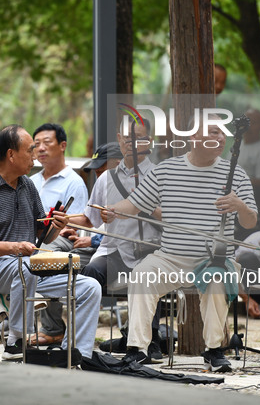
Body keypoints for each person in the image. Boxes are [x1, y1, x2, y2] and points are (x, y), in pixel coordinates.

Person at [103, 118, 258, 371]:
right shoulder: (166, 170)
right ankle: (137, 349)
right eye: (213, 132)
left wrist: (239, 206)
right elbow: (133, 204)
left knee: (217, 279)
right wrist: (111, 211)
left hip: (215, 259)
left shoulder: (236, 172)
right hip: (171, 257)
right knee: (142, 274)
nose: (220, 138)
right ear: (193, 138)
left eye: (222, 133)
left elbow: (251, 221)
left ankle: (214, 350)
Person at [0, 124, 101, 361]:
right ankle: (16, 341)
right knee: (25, 268)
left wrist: (54, 228)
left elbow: (43, 236)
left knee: (90, 287)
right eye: (30, 150)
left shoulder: (27, 185)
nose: (35, 155)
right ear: (11, 154)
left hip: (26, 272)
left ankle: (75, 354)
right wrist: (14, 247)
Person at [78, 120, 165, 360]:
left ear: (148, 141)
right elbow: (90, 218)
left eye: (139, 138)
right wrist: (64, 220)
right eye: (128, 138)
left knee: (147, 273)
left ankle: (153, 337)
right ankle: (81, 341)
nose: (133, 144)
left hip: (149, 248)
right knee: (89, 273)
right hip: (114, 249)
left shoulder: (159, 175)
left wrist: (140, 207)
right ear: (119, 139)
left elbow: (169, 217)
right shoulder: (106, 178)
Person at [28, 123, 89, 346]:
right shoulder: (30, 181)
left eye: (47, 143)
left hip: (61, 238)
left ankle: (53, 328)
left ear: (62, 145)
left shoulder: (73, 182)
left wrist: (53, 224)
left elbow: (78, 221)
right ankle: (16, 317)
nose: (41, 148)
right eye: (36, 145)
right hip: (31, 236)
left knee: (44, 256)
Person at [236, 108, 260, 214]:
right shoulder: (237, 145)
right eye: (246, 122)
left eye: (253, 123)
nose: (248, 126)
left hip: (253, 205)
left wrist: (236, 180)